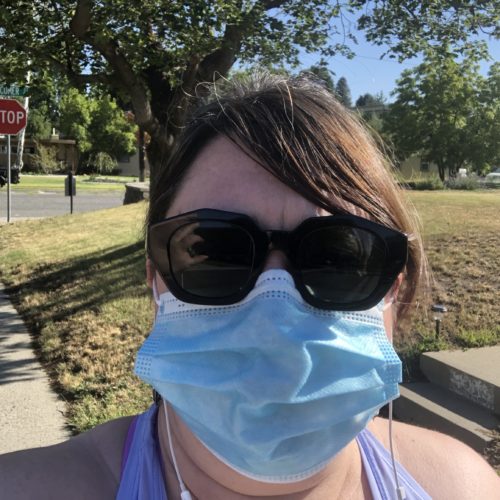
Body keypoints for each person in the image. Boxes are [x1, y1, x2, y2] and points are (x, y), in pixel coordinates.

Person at [0, 74, 498, 500]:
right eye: (215, 252)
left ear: (397, 291)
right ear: (156, 282)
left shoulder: (462, 486)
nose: (274, 308)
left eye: (339, 257)